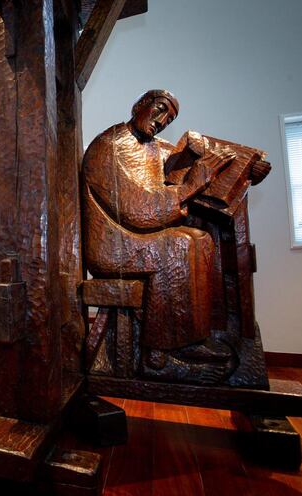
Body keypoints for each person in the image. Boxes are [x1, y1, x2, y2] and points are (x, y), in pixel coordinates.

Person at [81, 89, 236, 384]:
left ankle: (197, 335)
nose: (163, 120)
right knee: (178, 245)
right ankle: (158, 352)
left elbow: (192, 163)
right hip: (114, 242)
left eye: (170, 118)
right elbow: (138, 211)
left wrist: (248, 167)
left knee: (200, 239)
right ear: (140, 104)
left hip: (141, 238)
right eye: (160, 109)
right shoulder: (109, 146)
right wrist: (189, 186)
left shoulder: (158, 148)